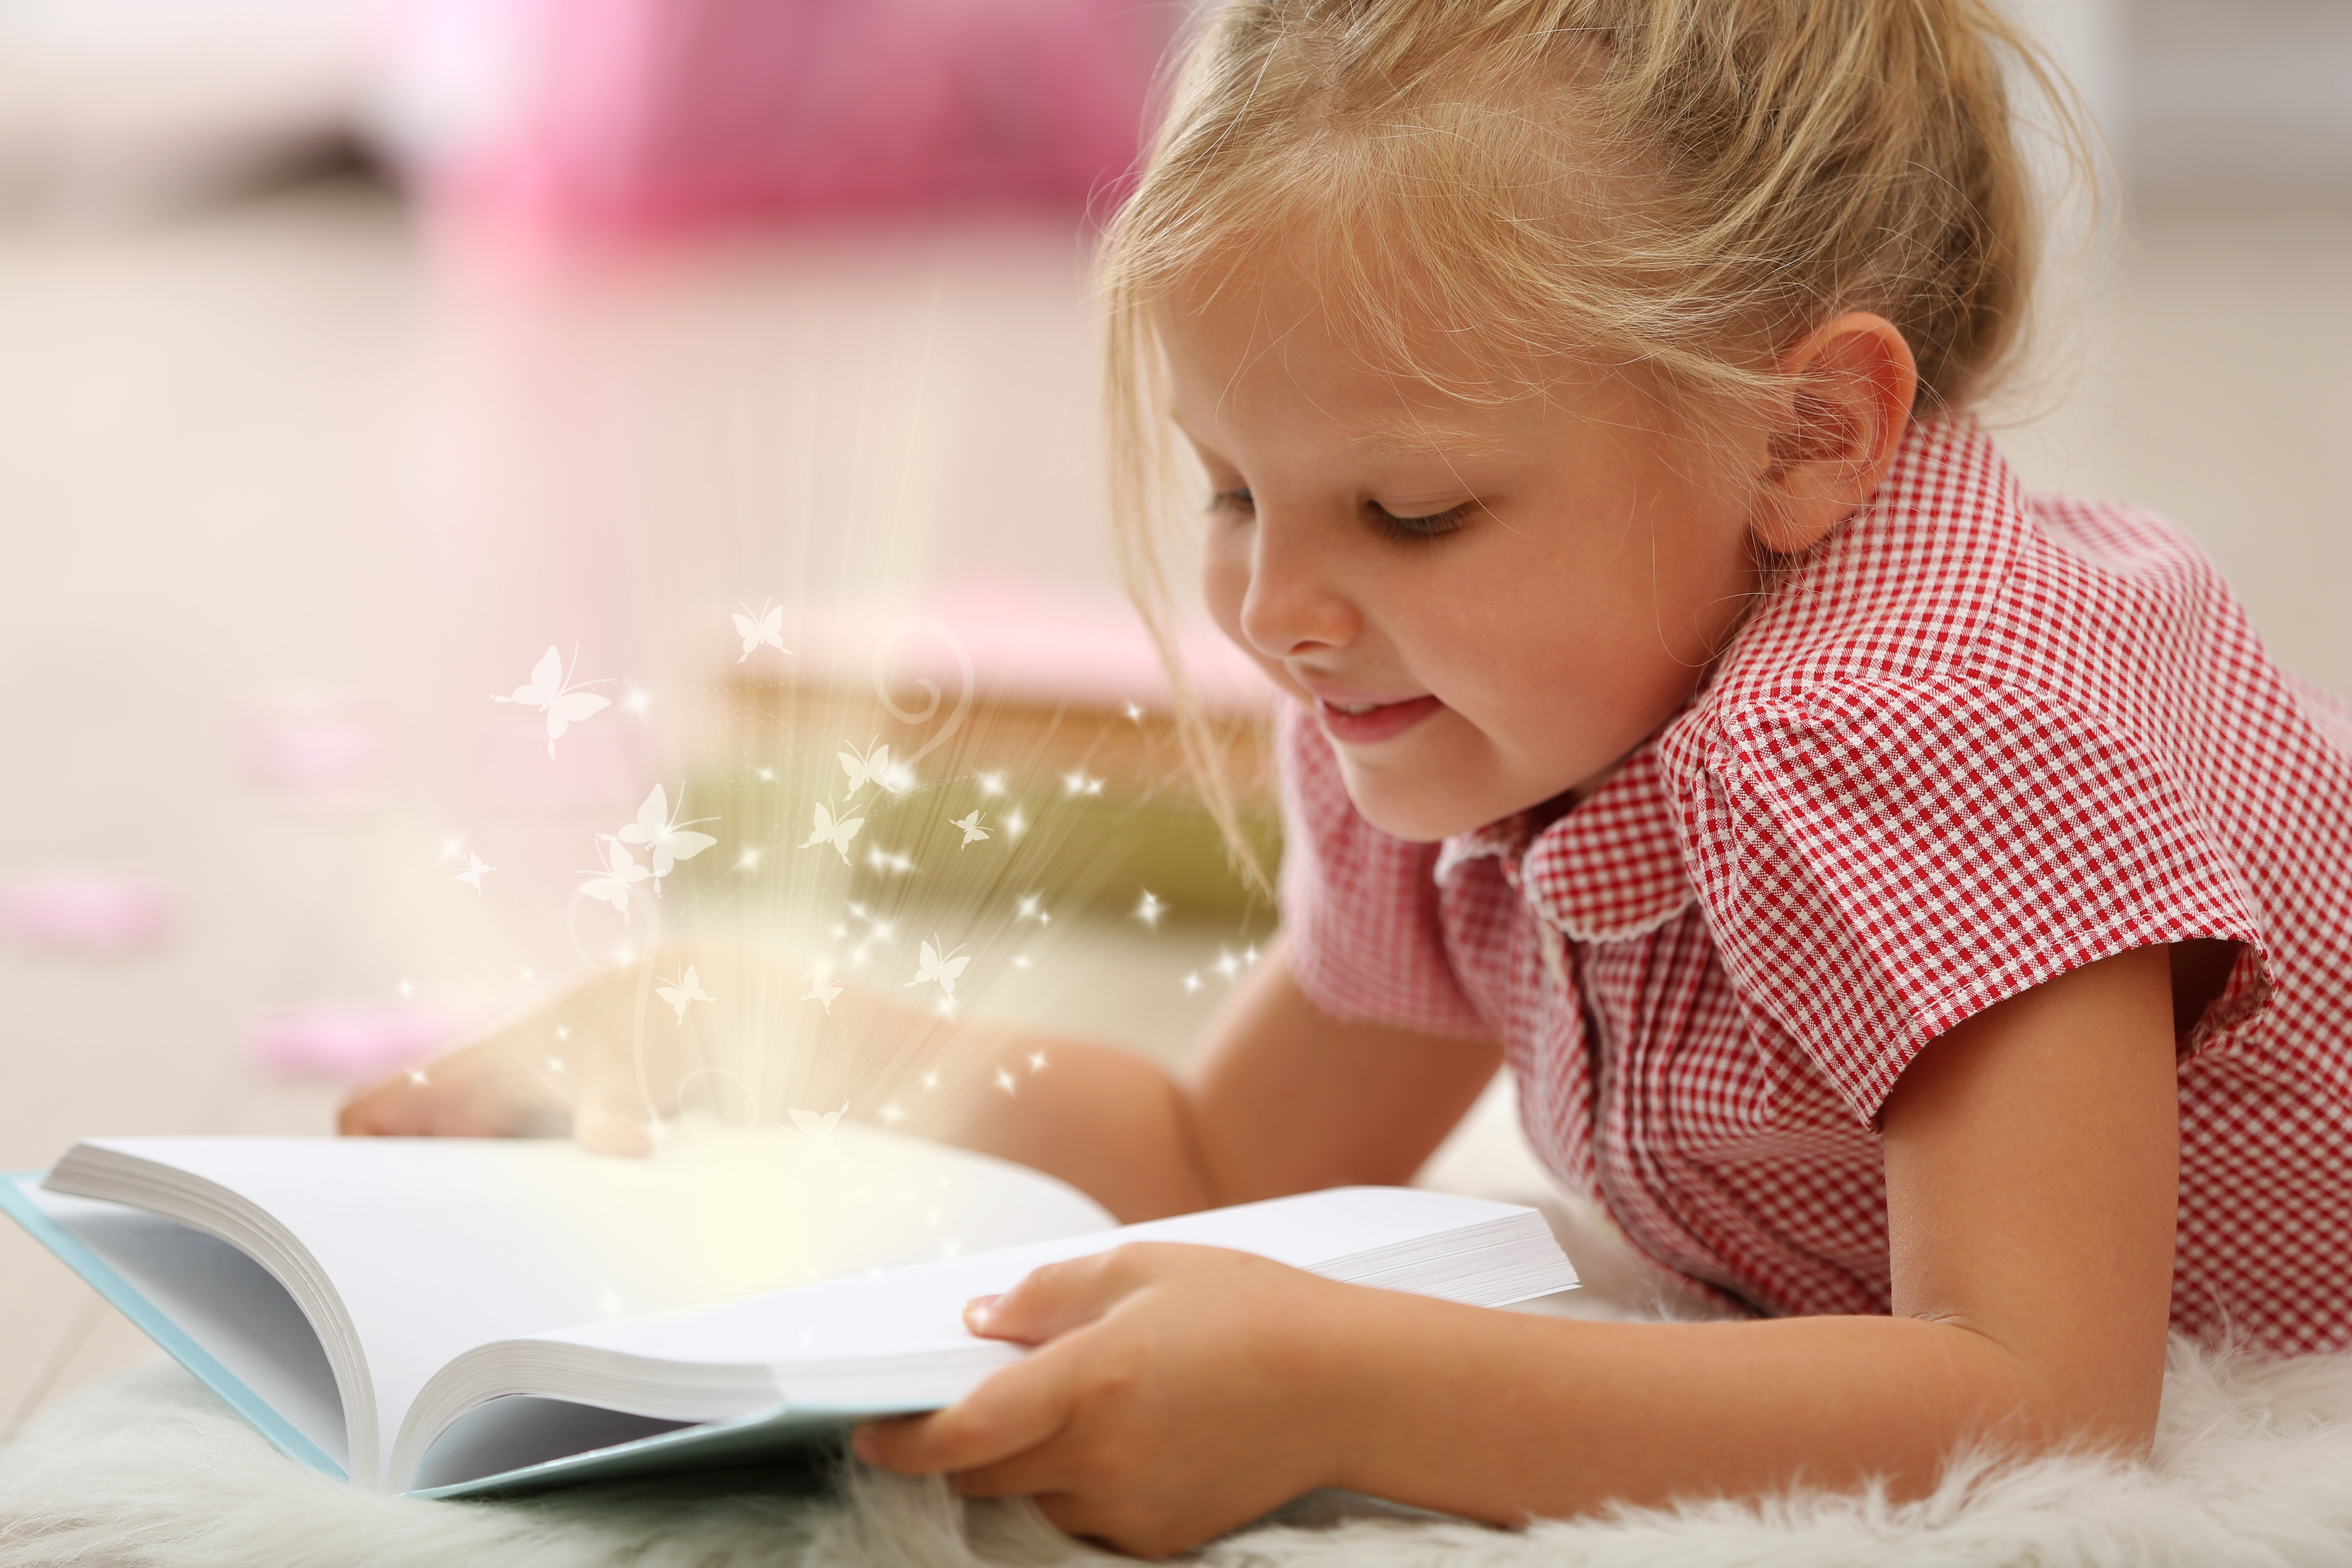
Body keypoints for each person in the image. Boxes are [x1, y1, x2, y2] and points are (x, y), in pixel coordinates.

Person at [343, 0, 2352, 1555]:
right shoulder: (1457, 714)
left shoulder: (1924, 726)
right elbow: (1225, 1162)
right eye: (1234, 490)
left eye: (1411, 508)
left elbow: (2038, 1406)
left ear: (1810, 431)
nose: (1281, 613)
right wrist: (744, 1034)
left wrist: (1365, 1395)